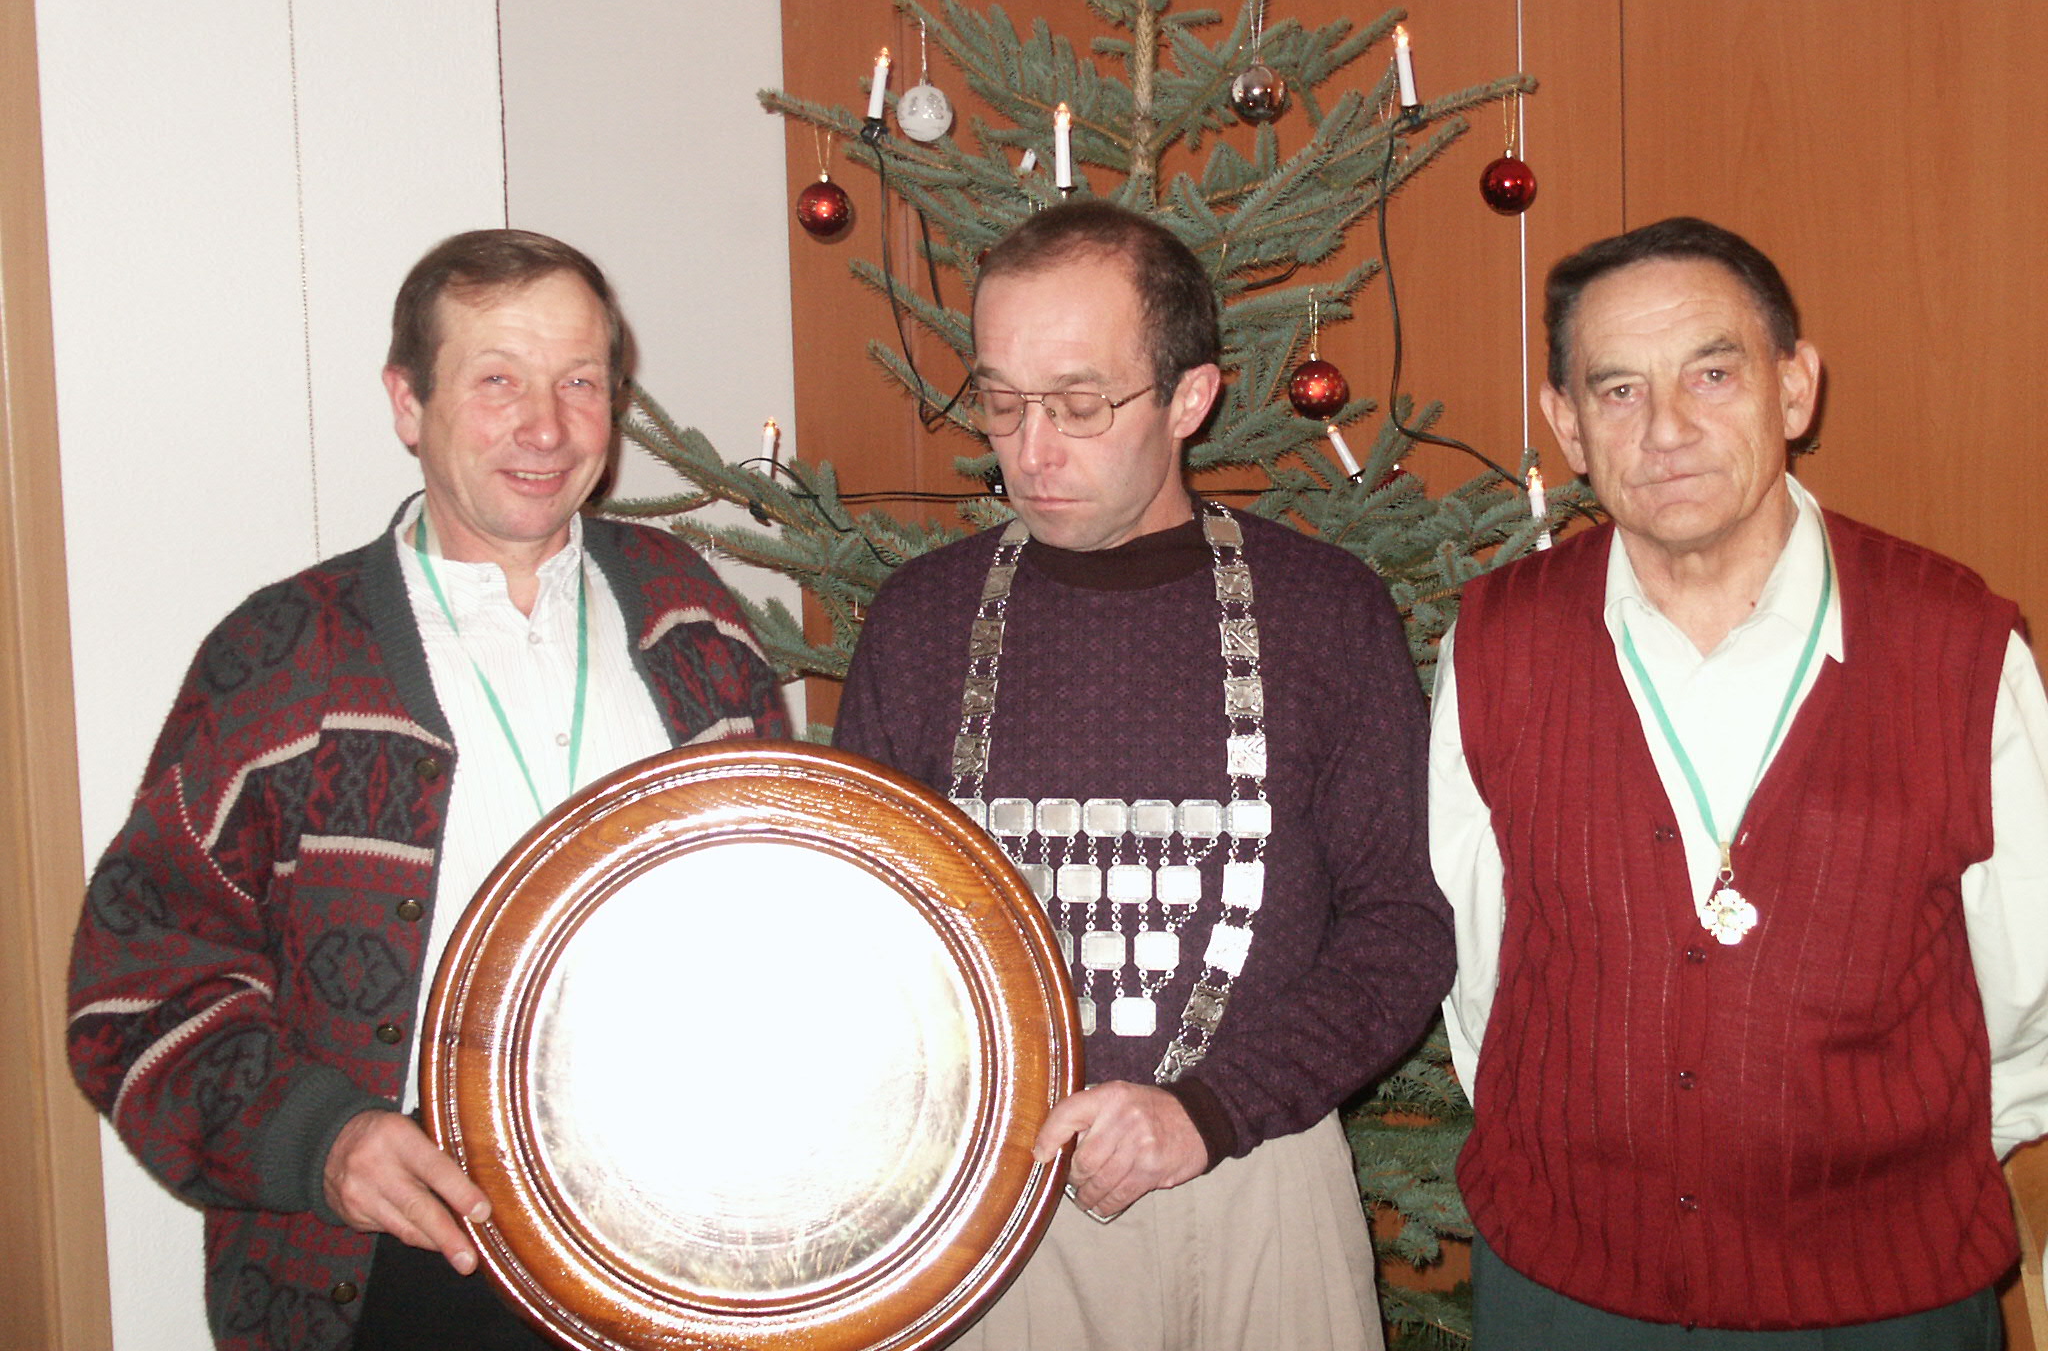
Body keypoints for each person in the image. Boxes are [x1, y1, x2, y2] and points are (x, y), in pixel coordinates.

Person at [67, 229, 789, 1351]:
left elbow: (788, 903)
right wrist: (324, 1142)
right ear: (408, 404)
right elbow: (135, 987)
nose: (545, 428)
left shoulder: (689, 615)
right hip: (410, 1258)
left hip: (694, 1224)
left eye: (580, 383)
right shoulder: (282, 656)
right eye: (497, 381)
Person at [835, 199, 1453, 1351]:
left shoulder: (1325, 613)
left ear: (1188, 398)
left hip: (1257, 1176)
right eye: (1000, 401)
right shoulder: (919, 624)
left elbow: (1401, 926)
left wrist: (1208, 1112)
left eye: (1078, 404)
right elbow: (856, 931)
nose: (1030, 451)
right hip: (989, 1199)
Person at [1430, 215, 2048, 1347]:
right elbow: (1482, 976)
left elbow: (2028, 991)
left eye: (1710, 375)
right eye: (1618, 390)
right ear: (1567, 426)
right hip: (1569, 1288)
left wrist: (1892, 1181)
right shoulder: (1495, 645)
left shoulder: (1958, 647)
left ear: (1793, 389)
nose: (1666, 429)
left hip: (1884, 1297)